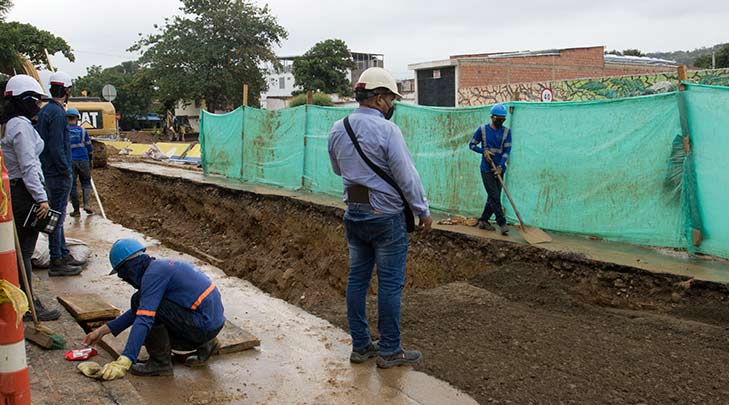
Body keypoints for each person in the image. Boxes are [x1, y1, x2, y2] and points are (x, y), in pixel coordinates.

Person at [328, 67, 432, 369]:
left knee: (357, 280)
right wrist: (422, 210)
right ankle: (389, 350)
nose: (391, 104)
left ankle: (361, 346)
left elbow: (337, 169)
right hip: (386, 217)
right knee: (389, 284)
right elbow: (406, 176)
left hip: (355, 214)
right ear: (378, 98)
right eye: (390, 98)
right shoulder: (388, 131)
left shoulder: (338, 128)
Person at [83, 239, 225, 380]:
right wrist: (101, 331)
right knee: (144, 306)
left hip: (202, 325)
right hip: (211, 321)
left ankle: (160, 363)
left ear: (129, 268)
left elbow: (144, 317)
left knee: (140, 305)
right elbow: (138, 311)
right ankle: (208, 344)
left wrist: (126, 360)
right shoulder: (159, 268)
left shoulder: (153, 275)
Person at [1, 75, 69, 321]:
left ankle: (21, 299)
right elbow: (29, 165)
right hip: (24, 193)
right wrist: (41, 198)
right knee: (25, 253)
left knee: (18, 251)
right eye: (36, 101)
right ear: (26, 100)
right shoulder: (21, 126)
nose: (39, 106)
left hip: (13, 192)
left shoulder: (8, 124)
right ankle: (28, 304)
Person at [34, 71, 85, 274]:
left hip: (49, 171)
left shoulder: (47, 111)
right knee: (56, 217)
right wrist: (65, 170)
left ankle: (62, 253)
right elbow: (56, 147)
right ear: (66, 90)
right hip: (56, 174)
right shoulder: (56, 114)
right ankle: (57, 259)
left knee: (58, 217)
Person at [469, 103, 512, 235]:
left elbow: (507, 150)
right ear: (492, 117)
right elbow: (471, 145)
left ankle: (483, 220)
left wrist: (500, 166)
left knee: (494, 196)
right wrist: (483, 151)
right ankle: (502, 222)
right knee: (494, 196)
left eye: (502, 119)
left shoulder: (506, 132)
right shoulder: (482, 130)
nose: (500, 121)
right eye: (498, 119)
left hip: (499, 169)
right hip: (486, 169)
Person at [66, 108, 93, 217]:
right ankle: (87, 204)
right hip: (83, 159)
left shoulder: (64, 132)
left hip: (70, 161)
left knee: (72, 186)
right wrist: (90, 158)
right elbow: (89, 146)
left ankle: (76, 210)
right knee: (86, 183)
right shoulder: (83, 131)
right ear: (77, 118)